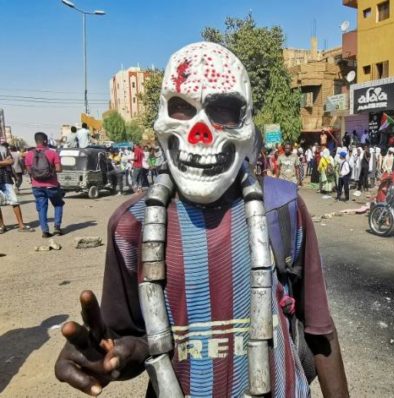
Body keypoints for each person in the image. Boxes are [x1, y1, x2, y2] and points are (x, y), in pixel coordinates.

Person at [54, 41, 348, 398]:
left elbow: (320, 331)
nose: (200, 133)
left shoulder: (282, 207)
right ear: (160, 120)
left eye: (224, 110)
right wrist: (109, 357)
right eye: (181, 109)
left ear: (248, 124)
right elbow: (134, 344)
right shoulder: (131, 225)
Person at [24, 132, 64, 237]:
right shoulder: (52, 153)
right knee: (58, 204)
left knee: (42, 208)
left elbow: (29, 170)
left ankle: (45, 231)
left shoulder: (29, 154)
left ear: (36, 141)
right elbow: (59, 169)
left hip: (36, 186)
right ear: (45, 141)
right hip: (51, 185)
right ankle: (57, 228)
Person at [0, 143, 35, 233]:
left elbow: (11, 161)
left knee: (14, 201)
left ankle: (21, 225)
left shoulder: (3, 148)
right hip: (4, 175)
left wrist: (5, 162)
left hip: (5, 177)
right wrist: (4, 162)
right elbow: (7, 161)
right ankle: (1, 226)